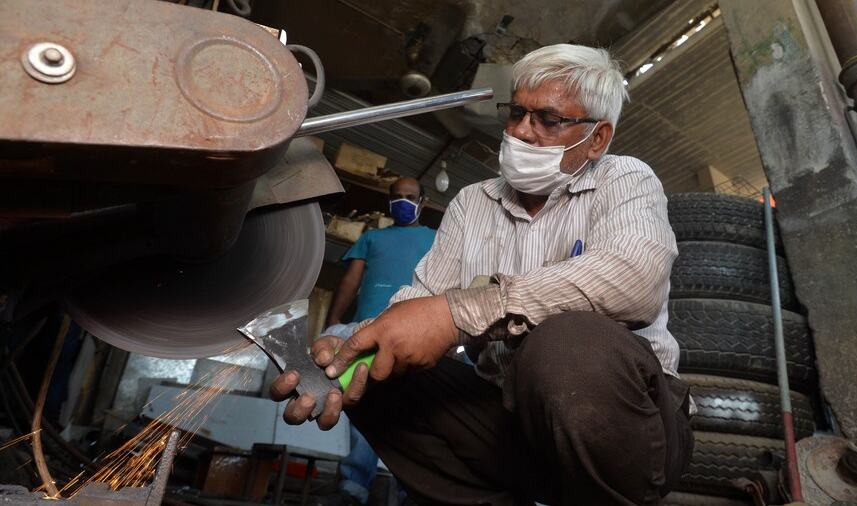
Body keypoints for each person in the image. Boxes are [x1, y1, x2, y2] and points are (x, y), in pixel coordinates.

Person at [271, 44, 693, 506]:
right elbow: (417, 305)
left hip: (631, 430)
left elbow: (636, 278)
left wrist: (459, 313)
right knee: (382, 373)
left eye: (548, 120)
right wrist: (349, 351)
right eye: (516, 113)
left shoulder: (625, 179)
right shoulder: (473, 202)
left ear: (597, 138)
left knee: (564, 342)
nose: (521, 131)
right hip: (510, 421)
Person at [324, 176, 436, 505]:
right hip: (367, 331)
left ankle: (412, 491)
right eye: (397, 196)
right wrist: (334, 321)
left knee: (413, 412)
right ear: (389, 200)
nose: (403, 202)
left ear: (423, 202)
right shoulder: (371, 238)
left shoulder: (437, 239)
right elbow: (351, 281)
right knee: (363, 402)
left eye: (410, 197)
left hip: (414, 332)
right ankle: (353, 486)